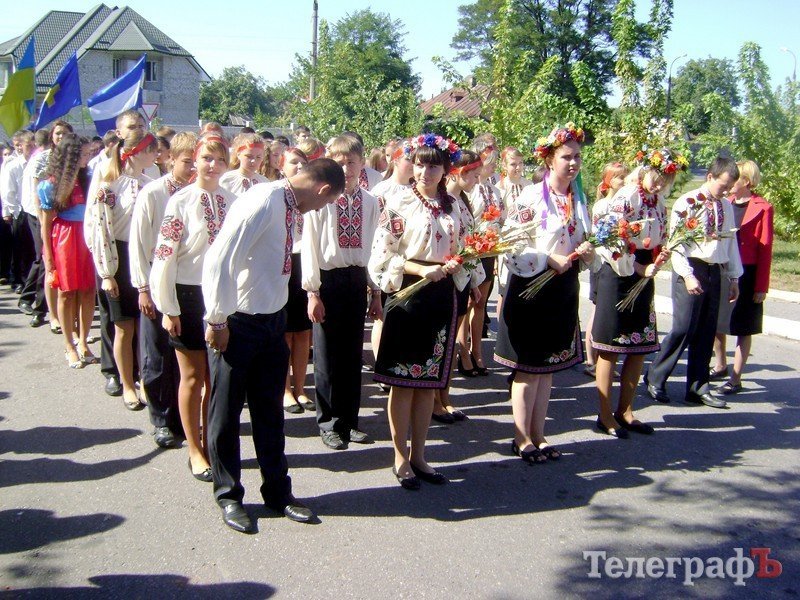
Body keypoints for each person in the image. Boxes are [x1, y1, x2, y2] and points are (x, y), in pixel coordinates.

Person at [202, 158, 345, 534]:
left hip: (271, 322)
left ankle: (278, 493)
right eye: (326, 202)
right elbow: (220, 258)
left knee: (270, 414)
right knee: (226, 415)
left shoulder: (287, 203)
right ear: (322, 189)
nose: (322, 208)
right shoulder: (263, 200)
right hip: (237, 324)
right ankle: (229, 496)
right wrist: (217, 319)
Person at [369, 133, 467, 489]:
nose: (427, 170)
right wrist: (419, 268)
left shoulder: (454, 206)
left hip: (442, 296)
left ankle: (420, 455)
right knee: (404, 383)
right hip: (408, 296)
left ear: (445, 169)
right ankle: (399, 456)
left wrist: (461, 263)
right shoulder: (399, 204)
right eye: (422, 163)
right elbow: (382, 255)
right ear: (412, 164)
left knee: (428, 382)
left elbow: (468, 246)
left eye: (435, 164)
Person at [494, 123, 594, 463]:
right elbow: (510, 244)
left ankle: (539, 434)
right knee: (528, 367)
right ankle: (521, 439)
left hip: (563, 288)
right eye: (567, 157)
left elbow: (584, 236)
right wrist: (546, 258)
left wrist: (587, 249)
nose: (574, 163)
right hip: (533, 288)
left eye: (578, 157)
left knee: (547, 368)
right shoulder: (532, 196)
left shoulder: (577, 197)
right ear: (550, 159)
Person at [150, 134, 236, 480]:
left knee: (217, 378)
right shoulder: (180, 202)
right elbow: (164, 256)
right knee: (193, 376)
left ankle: (211, 440)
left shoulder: (233, 200)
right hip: (186, 295)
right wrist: (168, 307)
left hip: (222, 298)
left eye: (219, 159)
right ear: (194, 161)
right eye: (206, 159)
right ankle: (194, 448)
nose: (212, 166)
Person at [591, 151, 682, 437]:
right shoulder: (628, 194)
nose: (661, 184)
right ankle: (605, 415)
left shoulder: (658, 200)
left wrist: (660, 254)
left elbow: (660, 233)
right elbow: (612, 236)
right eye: (659, 177)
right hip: (619, 270)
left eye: (667, 180)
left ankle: (626, 410)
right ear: (647, 170)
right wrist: (639, 267)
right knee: (611, 348)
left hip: (642, 268)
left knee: (638, 346)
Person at [302, 135, 382, 449]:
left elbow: (375, 248)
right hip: (327, 280)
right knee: (326, 355)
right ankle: (328, 422)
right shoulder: (323, 199)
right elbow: (309, 245)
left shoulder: (371, 201)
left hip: (355, 279)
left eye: (351, 162)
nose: (346, 168)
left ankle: (350, 420)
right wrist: (312, 291)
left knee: (351, 354)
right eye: (340, 162)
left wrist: (375, 291)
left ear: (362, 163)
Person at [644, 157, 742, 409]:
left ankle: (698, 387)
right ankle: (656, 376)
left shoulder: (726, 206)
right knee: (684, 328)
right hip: (691, 267)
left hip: (714, 269)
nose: (727, 191)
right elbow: (677, 245)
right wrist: (687, 275)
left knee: (707, 329)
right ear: (710, 177)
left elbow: (730, 242)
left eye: (730, 186)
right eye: (723, 185)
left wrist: (733, 277)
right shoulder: (687, 203)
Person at [129, 131, 197, 449]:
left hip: (189, 289)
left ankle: (185, 420)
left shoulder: (202, 193)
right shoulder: (154, 194)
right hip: (158, 286)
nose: (194, 167)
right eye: (187, 162)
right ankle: (162, 419)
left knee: (185, 355)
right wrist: (143, 288)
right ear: (170, 159)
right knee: (158, 355)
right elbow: (140, 245)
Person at [88, 130, 158, 411]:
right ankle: (126, 383)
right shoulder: (109, 184)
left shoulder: (149, 183)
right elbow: (100, 230)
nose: (156, 156)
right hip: (117, 257)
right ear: (139, 152)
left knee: (144, 324)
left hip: (142, 256)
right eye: (152, 150)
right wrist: (106, 273)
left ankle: (142, 378)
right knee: (123, 326)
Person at [711, 160, 773, 394]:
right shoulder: (724, 203)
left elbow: (765, 248)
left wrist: (761, 286)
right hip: (724, 269)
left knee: (743, 327)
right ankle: (720, 365)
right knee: (718, 322)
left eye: (735, 177)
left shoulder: (763, 207)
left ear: (745, 181)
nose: (729, 180)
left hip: (748, 273)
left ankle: (736, 378)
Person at [38, 134, 97, 368]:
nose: (88, 157)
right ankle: (69, 344)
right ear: (70, 157)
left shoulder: (90, 178)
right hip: (64, 238)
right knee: (67, 292)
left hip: (88, 236)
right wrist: (49, 257)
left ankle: (83, 341)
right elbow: (46, 223)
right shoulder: (50, 184)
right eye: (83, 154)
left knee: (87, 290)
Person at [437, 149, 486, 423]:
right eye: (474, 175)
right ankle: (435, 400)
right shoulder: (444, 201)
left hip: (461, 277)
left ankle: (445, 397)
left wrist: (475, 280)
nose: (477, 180)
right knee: (442, 341)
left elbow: (469, 245)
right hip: (444, 276)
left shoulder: (460, 201)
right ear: (458, 172)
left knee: (450, 341)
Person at [462, 138, 503, 375]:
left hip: (488, 252)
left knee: (481, 303)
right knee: (467, 303)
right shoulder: (472, 190)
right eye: (490, 161)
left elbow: (499, 219)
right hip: (471, 252)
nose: (494, 166)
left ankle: (477, 350)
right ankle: (463, 350)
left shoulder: (494, 190)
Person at [584, 162, 629, 378]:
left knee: (604, 310)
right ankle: (591, 358)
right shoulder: (603, 205)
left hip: (616, 262)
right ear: (610, 180)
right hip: (601, 261)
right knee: (598, 308)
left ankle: (602, 357)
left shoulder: (625, 203)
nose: (624, 181)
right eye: (620, 177)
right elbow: (598, 236)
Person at [279, 147, 315, 415]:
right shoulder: (275, 194)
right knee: (284, 334)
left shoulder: (312, 196)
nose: (299, 168)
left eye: (304, 163)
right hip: (281, 263)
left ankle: (300, 388)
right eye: (293, 163)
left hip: (305, 262)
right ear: (282, 166)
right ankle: (284, 390)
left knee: (303, 333)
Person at [1, 132, 35, 295]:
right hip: (20, 211)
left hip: (32, 210)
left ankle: (29, 280)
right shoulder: (13, 166)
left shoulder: (36, 163)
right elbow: (8, 191)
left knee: (31, 248)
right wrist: (13, 211)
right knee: (19, 247)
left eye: (33, 145)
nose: (32, 148)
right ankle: (18, 280)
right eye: (29, 145)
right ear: (21, 146)